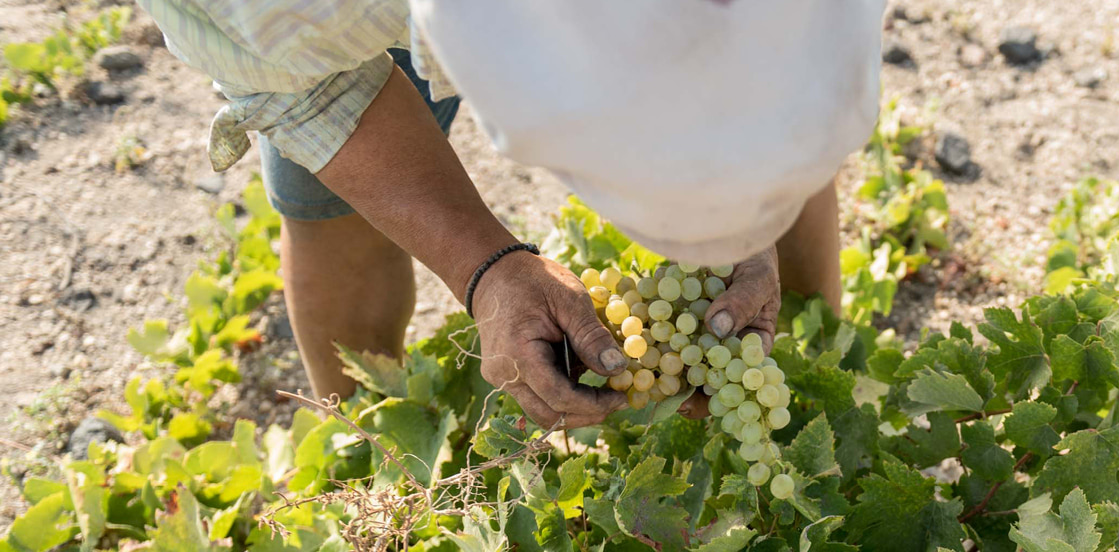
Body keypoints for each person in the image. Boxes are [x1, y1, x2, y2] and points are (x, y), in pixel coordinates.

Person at [138, 1, 885, 429]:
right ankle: (362, 445)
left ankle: (810, 372)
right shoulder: (282, 10)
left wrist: (750, 223)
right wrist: (485, 268)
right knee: (331, 202)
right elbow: (311, 94)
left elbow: (785, 74)